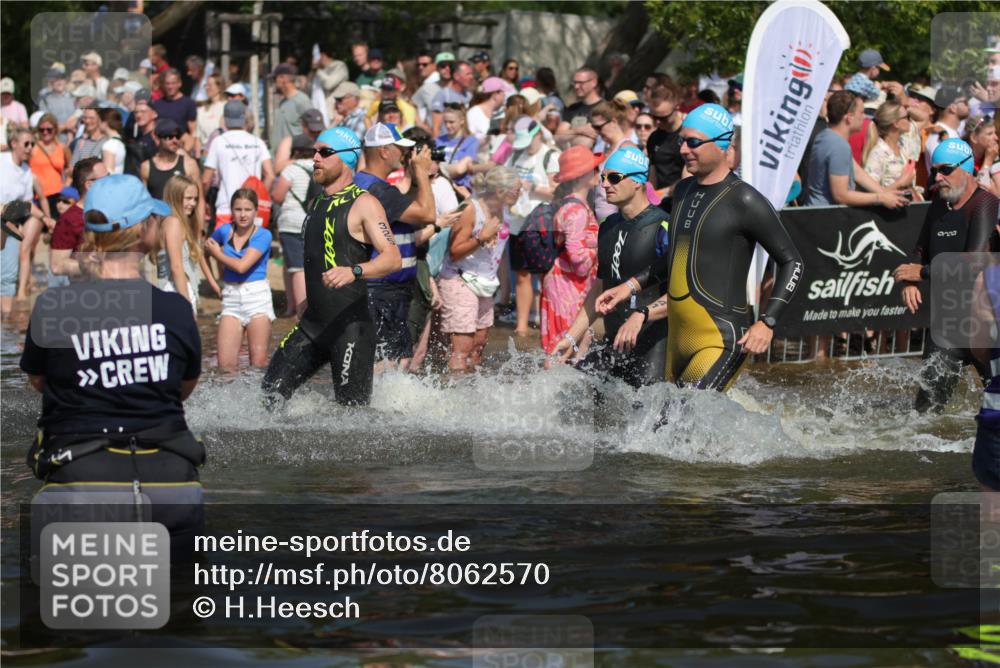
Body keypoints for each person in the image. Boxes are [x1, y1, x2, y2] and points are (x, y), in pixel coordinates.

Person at [20, 173, 205, 545]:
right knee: (183, 598)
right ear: (144, 232)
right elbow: (182, 388)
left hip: (81, 479)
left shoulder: (55, 307)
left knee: (69, 600)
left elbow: (39, 381)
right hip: (170, 481)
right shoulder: (175, 310)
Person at [594, 105, 803, 396]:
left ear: (722, 146)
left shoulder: (744, 199)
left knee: (677, 422)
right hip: (679, 339)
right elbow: (676, 260)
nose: (683, 149)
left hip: (720, 339)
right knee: (662, 428)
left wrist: (767, 322)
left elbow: (792, 262)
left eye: (693, 142)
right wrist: (628, 287)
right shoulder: (683, 191)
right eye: (682, 140)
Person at [261, 126, 401, 406]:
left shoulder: (365, 204)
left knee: (351, 421)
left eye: (324, 152)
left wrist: (354, 271)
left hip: (350, 330)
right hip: (313, 325)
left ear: (347, 158)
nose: (315, 158)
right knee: (268, 399)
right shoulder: (317, 202)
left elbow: (392, 257)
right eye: (314, 151)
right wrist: (304, 300)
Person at [893, 138, 999, 413]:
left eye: (946, 170)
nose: (938, 177)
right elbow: (920, 249)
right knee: (924, 414)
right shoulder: (938, 205)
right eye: (934, 171)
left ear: (967, 168)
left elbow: (976, 261)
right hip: (949, 327)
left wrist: (924, 272)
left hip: (987, 327)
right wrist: (910, 279)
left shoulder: (985, 204)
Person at [552, 146, 668, 387]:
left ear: (638, 181)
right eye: (603, 177)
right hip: (614, 340)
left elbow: (681, 293)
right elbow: (600, 290)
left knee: (647, 416)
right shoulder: (608, 226)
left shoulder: (663, 226)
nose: (604, 185)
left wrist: (642, 316)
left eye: (614, 178)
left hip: (653, 342)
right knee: (575, 394)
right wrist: (571, 338)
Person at [354, 123, 437, 369]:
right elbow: (428, 214)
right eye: (400, 148)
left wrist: (413, 179)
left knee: (386, 360)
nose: (404, 154)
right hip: (382, 289)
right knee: (384, 364)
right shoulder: (376, 189)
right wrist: (422, 173)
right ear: (383, 151)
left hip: (384, 288)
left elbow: (408, 211)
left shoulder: (363, 183)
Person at [439, 166, 519, 372]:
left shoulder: (505, 210)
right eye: (516, 190)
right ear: (500, 191)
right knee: (462, 348)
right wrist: (481, 238)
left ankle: (471, 392)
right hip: (460, 278)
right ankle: (454, 396)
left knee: (478, 345)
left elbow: (500, 252)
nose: (520, 194)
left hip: (484, 282)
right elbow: (455, 252)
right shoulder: (470, 209)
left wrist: (504, 287)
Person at [205, 188, 275, 371]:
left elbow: (242, 266)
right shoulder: (223, 231)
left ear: (256, 211)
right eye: (238, 209)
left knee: (257, 366)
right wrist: (215, 283)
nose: (243, 214)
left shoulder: (264, 234)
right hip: (231, 298)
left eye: (248, 209)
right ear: (231, 210)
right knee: (225, 366)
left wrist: (218, 254)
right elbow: (203, 252)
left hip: (257, 297)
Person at [539, 147, 600, 357]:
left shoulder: (574, 205)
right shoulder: (576, 211)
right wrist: (601, 248)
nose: (599, 173)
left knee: (564, 349)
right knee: (562, 350)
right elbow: (579, 263)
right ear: (582, 175)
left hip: (564, 285)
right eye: (596, 168)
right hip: (567, 288)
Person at [803, 90, 909, 208]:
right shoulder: (838, 145)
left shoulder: (826, 135)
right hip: (826, 217)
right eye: (861, 112)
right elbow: (840, 195)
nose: (864, 117)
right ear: (849, 117)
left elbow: (858, 173)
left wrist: (884, 193)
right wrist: (880, 198)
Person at [507, 118, 561, 335]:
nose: (526, 146)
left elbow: (556, 191)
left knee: (545, 274)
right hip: (517, 221)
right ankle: (521, 326)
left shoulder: (550, 156)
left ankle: (549, 325)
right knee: (521, 274)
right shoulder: (516, 155)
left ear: (538, 134)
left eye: (528, 141)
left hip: (540, 222)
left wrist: (532, 186)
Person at [1, 128, 52, 310]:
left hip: (10, 223)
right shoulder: (2, 161)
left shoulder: (26, 170)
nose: (30, 148)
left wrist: (46, 218)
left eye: (32, 144)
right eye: (26, 144)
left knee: (7, 276)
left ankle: (6, 320)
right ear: (14, 144)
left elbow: (27, 203)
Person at [202, 101, 274, 228]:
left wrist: (203, 201)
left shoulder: (218, 142)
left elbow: (206, 180)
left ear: (224, 119)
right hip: (251, 211)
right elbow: (270, 175)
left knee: (224, 247)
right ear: (244, 118)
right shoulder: (258, 142)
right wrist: (258, 198)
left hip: (226, 209)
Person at [157, 174, 218, 313]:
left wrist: (213, 283)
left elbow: (198, 253)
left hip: (183, 288)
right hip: (174, 290)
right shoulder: (173, 223)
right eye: (188, 198)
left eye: (195, 199)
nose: (193, 203)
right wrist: (186, 305)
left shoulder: (185, 222)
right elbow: (176, 267)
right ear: (174, 197)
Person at [270, 134, 315, 315]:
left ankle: (300, 311)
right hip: (311, 222)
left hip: (291, 223)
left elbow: (278, 196)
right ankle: (293, 307)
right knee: (306, 266)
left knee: (296, 268)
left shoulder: (291, 169)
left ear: (295, 151)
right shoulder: (317, 168)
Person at [50, 157, 107, 280]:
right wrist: (90, 265)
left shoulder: (112, 211)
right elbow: (57, 266)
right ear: (89, 185)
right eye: (105, 179)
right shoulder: (69, 220)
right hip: (88, 293)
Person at [861, 100, 921, 198]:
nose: (910, 121)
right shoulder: (877, 153)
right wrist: (900, 183)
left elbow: (923, 120)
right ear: (896, 123)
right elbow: (870, 195)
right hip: (886, 212)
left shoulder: (904, 144)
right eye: (907, 117)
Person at [141, 118, 200, 201]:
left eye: (177, 136)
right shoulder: (146, 167)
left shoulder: (189, 164)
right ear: (158, 139)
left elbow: (200, 199)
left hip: (181, 214)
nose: (175, 140)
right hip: (158, 213)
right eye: (169, 137)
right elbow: (143, 200)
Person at [645, 83, 687, 195]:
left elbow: (690, 177)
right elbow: (653, 173)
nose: (657, 122)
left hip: (685, 199)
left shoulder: (688, 135)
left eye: (663, 118)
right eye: (654, 117)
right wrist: (650, 195)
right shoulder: (653, 138)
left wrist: (661, 194)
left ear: (676, 108)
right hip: (661, 204)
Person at [29, 113, 72, 214]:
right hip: (38, 196)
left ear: (55, 130)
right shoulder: (33, 147)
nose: (45, 132)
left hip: (58, 196)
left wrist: (66, 185)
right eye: (42, 129)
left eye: (49, 129)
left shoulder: (62, 147)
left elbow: (71, 168)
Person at [270, 63, 314, 150]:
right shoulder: (283, 102)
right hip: (278, 157)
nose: (274, 83)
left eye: (275, 79)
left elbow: (312, 129)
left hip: (293, 157)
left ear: (283, 78)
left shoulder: (302, 100)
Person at [152, 69, 198, 153]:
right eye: (167, 83)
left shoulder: (188, 103)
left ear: (179, 83)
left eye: (173, 83)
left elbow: (193, 131)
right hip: (160, 150)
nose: (170, 87)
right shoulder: (157, 104)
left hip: (180, 149)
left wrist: (186, 151)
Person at [436, 104, 480, 191]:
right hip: (441, 188)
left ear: (462, 121)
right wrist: (451, 168)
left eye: (451, 122)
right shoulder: (439, 140)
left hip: (461, 189)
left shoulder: (471, 141)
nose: (448, 126)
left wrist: (441, 168)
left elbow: (460, 169)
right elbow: (434, 168)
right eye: (445, 122)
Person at [274, 108, 325, 175]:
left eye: (318, 130)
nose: (316, 134)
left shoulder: (327, 143)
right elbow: (277, 168)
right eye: (312, 131)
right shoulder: (290, 142)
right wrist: (303, 162)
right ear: (303, 126)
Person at [431, 61, 474, 137]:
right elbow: (436, 127)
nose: (471, 77)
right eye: (468, 74)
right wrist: (437, 146)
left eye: (471, 74)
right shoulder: (443, 95)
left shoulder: (469, 96)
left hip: (464, 143)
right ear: (456, 76)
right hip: (446, 143)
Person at [965, 113, 1000, 196]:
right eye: (990, 134)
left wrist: (993, 159)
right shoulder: (963, 160)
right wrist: (988, 161)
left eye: (995, 133)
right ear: (974, 137)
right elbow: (981, 191)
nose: (996, 138)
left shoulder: (991, 154)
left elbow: (998, 193)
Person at [466, 77, 506, 143]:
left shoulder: (501, 113)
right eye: (503, 92)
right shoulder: (474, 113)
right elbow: (468, 139)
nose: (505, 95)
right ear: (495, 94)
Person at [195, 73, 226, 157]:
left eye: (210, 85)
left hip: (221, 152)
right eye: (206, 85)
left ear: (219, 87)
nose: (206, 88)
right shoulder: (201, 110)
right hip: (205, 154)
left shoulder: (226, 107)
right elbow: (198, 136)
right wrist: (198, 158)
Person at [39, 69, 76, 135]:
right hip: (54, 139)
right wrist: (66, 126)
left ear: (66, 81)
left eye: (61, 79)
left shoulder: (74, 98)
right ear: (50, 83)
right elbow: (46, 123)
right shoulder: (45, 101)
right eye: (56, 80)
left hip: (76, 138)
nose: (59, 82)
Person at [97, 108, 126, 175]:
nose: (97, 125)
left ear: (104, 123)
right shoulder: (120, 141)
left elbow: (109, 172)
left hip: (111, 183)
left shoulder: (109, 145)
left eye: (99, 121)